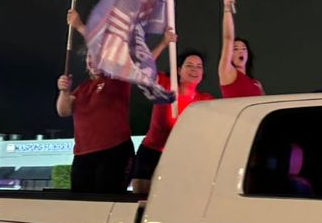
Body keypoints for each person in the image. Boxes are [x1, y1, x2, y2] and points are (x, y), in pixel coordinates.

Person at [56, 10, 133, 194]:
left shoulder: (118, 78)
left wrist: (80, 26)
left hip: (114, 152)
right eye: (89, 57)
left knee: (106, 203)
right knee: (81, 205)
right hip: (83, 156)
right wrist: (64, 92)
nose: (92, 60)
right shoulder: (82, 88)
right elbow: (63, 111)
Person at [131, 49, 215, 194]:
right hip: (152, 152)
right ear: (179, 70)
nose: (194, 69)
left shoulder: (205, 100)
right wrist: (164, 42)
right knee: (140, 198)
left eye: (199, 66)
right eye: (189, 65)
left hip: (180, 157)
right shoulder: (164, 85)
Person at [218, 0, 264, 98]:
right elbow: (228, 38)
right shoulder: (227, 72)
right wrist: (227, 8)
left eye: (244, 48)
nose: (241, 51)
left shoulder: (256, 83)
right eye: (235, 49)